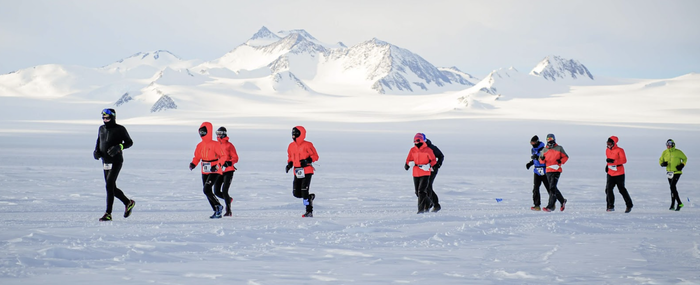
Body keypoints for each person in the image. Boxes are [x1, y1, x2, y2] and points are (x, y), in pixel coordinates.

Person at [93, 108, 135, 221]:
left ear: (113, 117)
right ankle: (128, 202)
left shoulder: (120, 129)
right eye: (103, 118)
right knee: (111, 187)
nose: (105, 120)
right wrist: (96, 151)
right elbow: (99, 141)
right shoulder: (101, 129)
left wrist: (119, 147)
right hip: (105, 161)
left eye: (107, 118)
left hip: (116, 161)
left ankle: (108, 213)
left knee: (109, 185)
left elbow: (129, 142)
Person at [190, 122, 225, 219]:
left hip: (215, 169)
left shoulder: (216, 144)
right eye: (200, 131)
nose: (202, 133)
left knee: (206, 189)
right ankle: (216, 210)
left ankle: (218, 206)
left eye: (203, 131)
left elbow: (223, 156)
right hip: (205, 169)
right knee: (207, 191)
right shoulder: (200, 145)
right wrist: (193, 164)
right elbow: (197, 157)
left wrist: (217, 165)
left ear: (208, 131)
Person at [286, 126, 319, 217]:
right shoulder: (291, 146)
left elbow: (315, 156)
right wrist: (289, 165)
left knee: (304, 190)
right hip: (297, 171)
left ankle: (309, 211)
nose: (294, 135)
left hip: (307, 170)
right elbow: (290, 157)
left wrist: (307, 161)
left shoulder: (308, 145)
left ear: (301, 133)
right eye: (293, 133)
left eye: (296, 133)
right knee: (296, 193)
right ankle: (309, 198)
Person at [404, 133, 437, 214]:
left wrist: (430, 165)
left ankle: (420, 210)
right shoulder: (412, 150)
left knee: (421, 191)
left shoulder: (428, 150)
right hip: (415, 173)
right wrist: (408, 164)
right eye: (415, 141)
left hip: (425, 172)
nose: (416, 143)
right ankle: (428, 202)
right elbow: (408, 159)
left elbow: (433, 160)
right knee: (417, 192)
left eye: (418, 141)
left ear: (422, 141)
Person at [539, 134, 568, 212]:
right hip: (548, 170)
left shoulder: (559, 148)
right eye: (548, 139)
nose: (550, 140)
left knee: (552, 188)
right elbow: (541, 161)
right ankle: (562, 201)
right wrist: (542, 159)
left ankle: (550, 206)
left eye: (551, 138)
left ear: (554, 139)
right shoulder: (545, 150)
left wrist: (560, 161)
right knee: (553, 188)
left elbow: (566, 157)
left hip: (556, 170)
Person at [213, 127, 239, 217]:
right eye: (217, 133)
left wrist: (230, 162)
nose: (218, 135)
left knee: (224, 191)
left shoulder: (229, 145)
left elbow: (235, 157)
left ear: (224, 133)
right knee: (216, 191)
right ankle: (228, 199)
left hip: (228, 171)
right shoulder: (215, 145)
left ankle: (229, 211)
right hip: (219, 170)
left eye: (220, 133)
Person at [605, 136, 633, 213]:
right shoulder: (607, 150)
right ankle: (610, 206)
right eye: (607, 144)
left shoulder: (620, 150)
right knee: (608, 189)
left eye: (610, 144)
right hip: (610, 172)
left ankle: (629, 205)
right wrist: (607, 166)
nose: (609, 145)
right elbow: (608, 160)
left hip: (619, 173)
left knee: (621, 189)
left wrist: (614, 161)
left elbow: (624, 160)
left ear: (614, 143)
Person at [659, 139, 687, 211]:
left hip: (677, 172)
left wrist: (682, 165)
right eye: (667, 144)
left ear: (673, 144)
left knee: (672, 186)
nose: (668, 146)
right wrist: (662, 164)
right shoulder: (665, 152)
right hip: (669, 172)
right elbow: (660, 160)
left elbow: (685, 158)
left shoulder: (678, 152)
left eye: (670, 144)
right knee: (672, 188)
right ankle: (673, 205)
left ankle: (678, 203)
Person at [526, 135, 549, 211]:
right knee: (535, 188)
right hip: (536, 171)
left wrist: (537, 157)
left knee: (549, 188)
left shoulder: (544, 149)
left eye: (533, 142)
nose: (532, 144)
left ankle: (553, 203)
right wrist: (530, 163)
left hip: (544, 171)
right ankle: (537, 205)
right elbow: (534, 159)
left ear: (537, 142)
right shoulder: (533, 149)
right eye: (531, 142)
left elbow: (545, 159)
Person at [425, 135, 444, 212]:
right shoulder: (418, 149)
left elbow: (441, 156)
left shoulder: (431, 147)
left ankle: (436, 205)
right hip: (423, 170)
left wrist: (438, 165)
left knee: (427, 186)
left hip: (432, 169)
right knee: (424, 187)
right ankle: (429, 204)